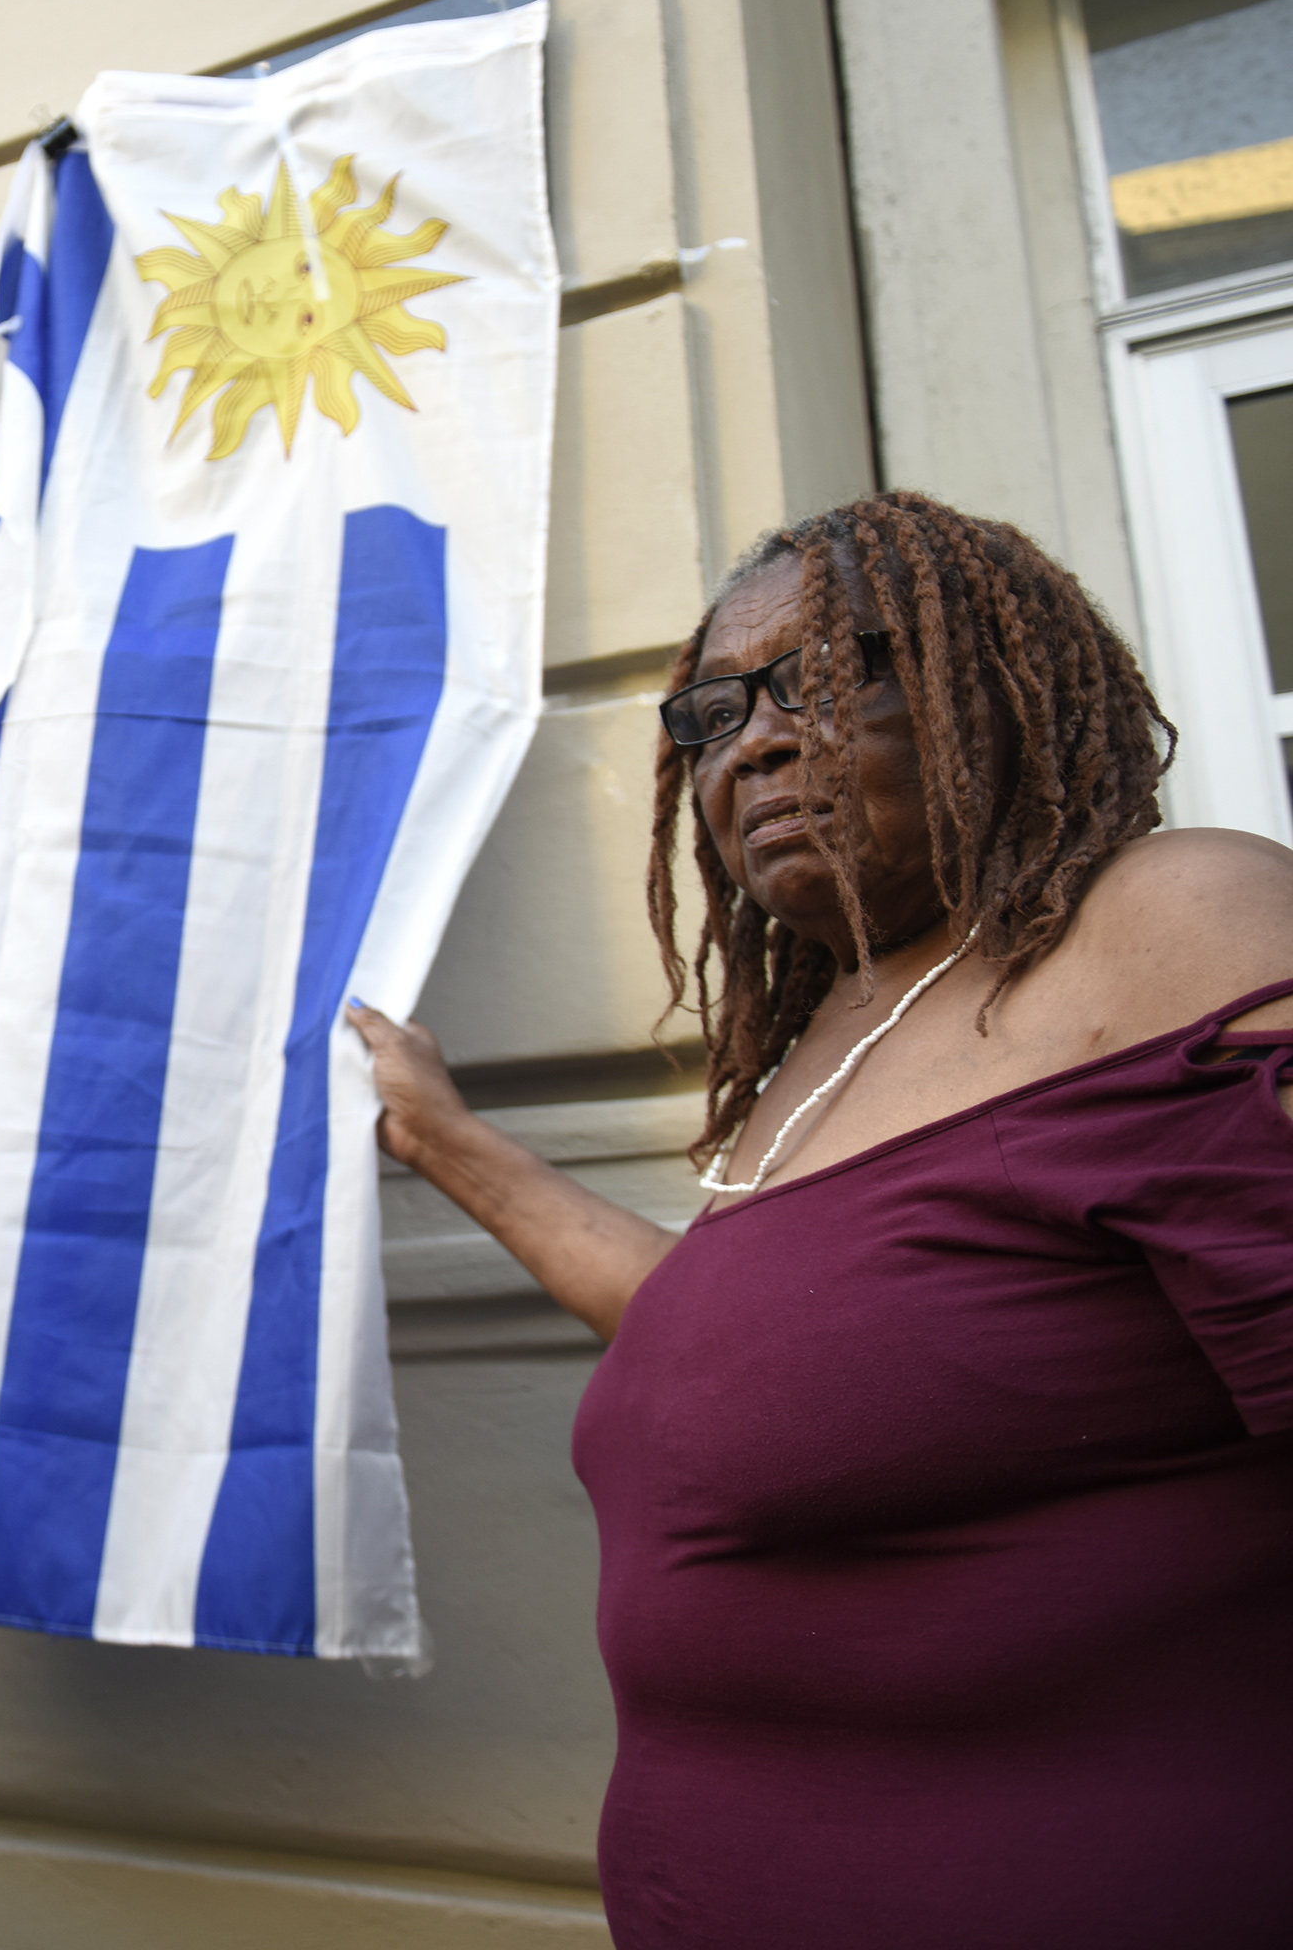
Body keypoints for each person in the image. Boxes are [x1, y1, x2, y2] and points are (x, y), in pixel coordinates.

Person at [344, 493, 1293, 1947]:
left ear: (993, 681)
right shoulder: (823, 1047)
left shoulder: (1178, 924)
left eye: (833, 674)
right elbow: (738, 1350)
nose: (760, 744)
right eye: (713, 717)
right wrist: (451, 1144)